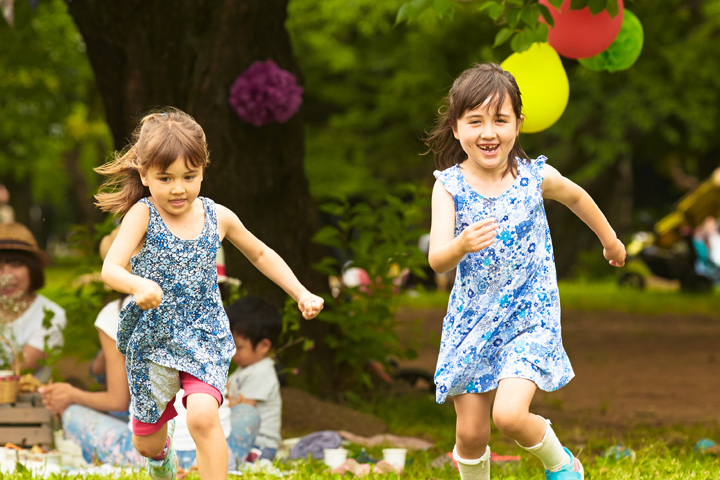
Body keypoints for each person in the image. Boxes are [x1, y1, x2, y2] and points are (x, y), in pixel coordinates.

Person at [94, 107, 324, 480]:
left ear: (204, 168)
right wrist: (139, 285)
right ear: (145, 174)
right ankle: (162, 460)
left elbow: (261, 253)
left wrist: (300, 292)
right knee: (146, 443)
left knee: (203, 415)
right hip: (153, 338)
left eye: (190, 175)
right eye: (165, 178)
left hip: (204, 334)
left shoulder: (218, 217)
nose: (179, 188)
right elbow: (111, 269)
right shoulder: (142, 214)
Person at [425, 63, 626, 480]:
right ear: (457, 127)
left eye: (500, 119)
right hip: (472, 320)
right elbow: (437, 259)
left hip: (529, 315)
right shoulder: (448, 186)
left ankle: (564, 466)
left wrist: (611, 241)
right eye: (475, 120)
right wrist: (460, 245)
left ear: (518, 123)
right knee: (471, 434)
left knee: (511, 416)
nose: (488, 132)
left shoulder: (534, 177)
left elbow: (577, 197)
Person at [39, 230, 261, 470]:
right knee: (248, 414)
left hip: (149, 451)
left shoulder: (115, 314)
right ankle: (211, 461)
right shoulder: (212, 313)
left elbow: (117, 400)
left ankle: (164, 460)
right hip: (219, 449)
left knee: (74, 415)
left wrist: (73, 396)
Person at [0, 222, 65, 379]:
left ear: (33, 269)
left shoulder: (50, 315)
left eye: (16, 265)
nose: (7, 276)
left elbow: (20, 368)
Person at [225, 296, 283, 461]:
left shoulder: (262, 372)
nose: (232, 352)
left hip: (260, 445)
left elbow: (247, 410)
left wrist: (227, 403)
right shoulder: (244, 371)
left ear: (264, 346)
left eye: (238, 347)